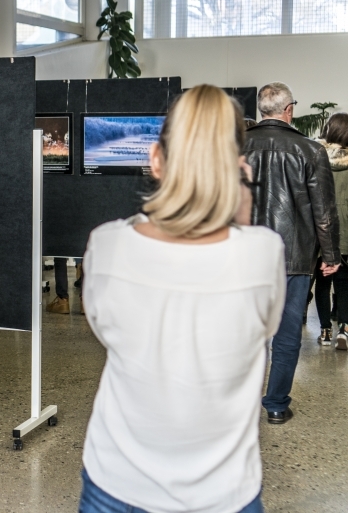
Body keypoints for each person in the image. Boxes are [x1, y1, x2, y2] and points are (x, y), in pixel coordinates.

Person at [79, 85, 286, 513]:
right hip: (225, 493)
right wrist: (238, 209)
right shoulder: (263, 251)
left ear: (156, 160)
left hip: (115, 482)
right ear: (238, 166)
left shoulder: (107, 245)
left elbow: (105, 330)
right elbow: (263, 329)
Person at [245, 82, 341, 425]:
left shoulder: (235, 147)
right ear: (289, 110)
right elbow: (324, 210)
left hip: (242, 256)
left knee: (242, 333)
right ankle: (275, 405)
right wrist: (330, 255)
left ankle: (237, 403)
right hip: (293, 257)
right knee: (286, 336)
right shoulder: (310, 150)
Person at [317, 113, 348, 349]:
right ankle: (344, 330)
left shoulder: (316, 159)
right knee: (345, 283)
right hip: (346, 231)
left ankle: (325, 330)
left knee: (323, 282)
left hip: (321, 229)